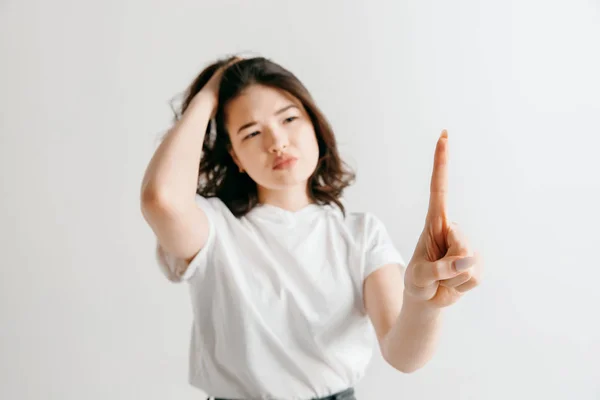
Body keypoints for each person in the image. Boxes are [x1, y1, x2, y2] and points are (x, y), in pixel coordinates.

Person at [140, 55, 483, 400]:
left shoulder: (359, 236)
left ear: (315, 126)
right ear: (235, 157)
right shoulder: (213, 228)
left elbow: (403, 354)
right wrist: (208, 94)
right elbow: (161, 199)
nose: (276, 141)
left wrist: (425, 302)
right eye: (252, 132)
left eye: (289, 118)